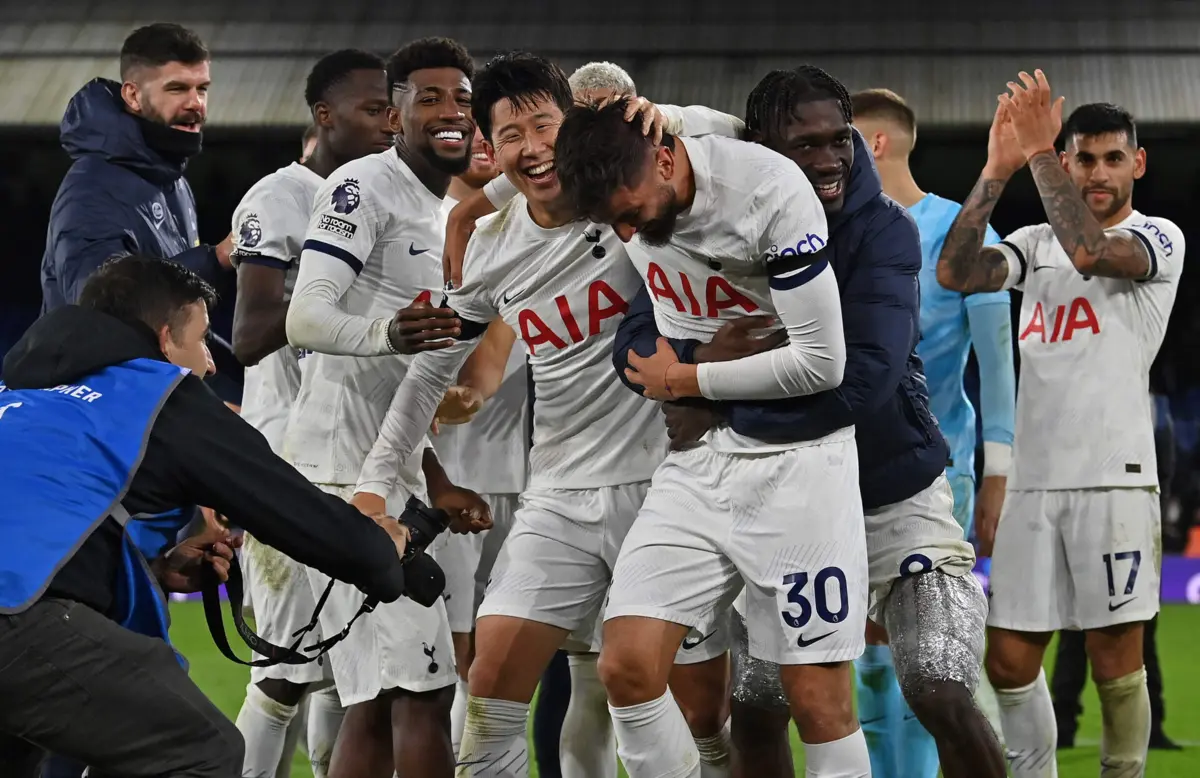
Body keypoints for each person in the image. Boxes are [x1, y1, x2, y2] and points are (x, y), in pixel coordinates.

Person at [352, 52, 735, 778]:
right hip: (557, 493)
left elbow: (735, 135)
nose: (532, 148)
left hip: (669, 491)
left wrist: (666, 117)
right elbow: (430, 372)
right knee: (490, 688)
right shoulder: (490, 250)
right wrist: (376, 483)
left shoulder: (632, 201)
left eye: (544, 125)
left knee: (698, 717)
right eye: (510, 135)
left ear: (577, 125)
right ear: (490, 148)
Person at [0, 255, 415, 778]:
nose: (210, 363)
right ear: (165, 337)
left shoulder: (20, 393)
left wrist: (152, 572)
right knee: (201, 752)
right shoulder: (157, 391)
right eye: (200, 339)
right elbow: (290, 507)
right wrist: (382, 548)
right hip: (15, 616)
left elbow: (44, 534)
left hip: (18, 608)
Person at [552, 96, 868, 778]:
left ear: (666, 158)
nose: (628, 230)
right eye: (614, 222)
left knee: (816, 697)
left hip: (800, 467)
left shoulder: (768, 190)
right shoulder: (641, 161)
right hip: (697, 462)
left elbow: (822, 363)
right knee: (627, 665)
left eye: (632, 211)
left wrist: (689, 379)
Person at [936, 72, 1185, 778]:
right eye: (1084, 157)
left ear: (1137, 163)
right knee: (1009, 659)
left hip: (1112, 478)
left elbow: (1091, 253)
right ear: (1070, 162)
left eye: (1112, 158)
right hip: (1033, 487)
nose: (1097, 172)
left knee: (1115, 657)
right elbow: (956, 272)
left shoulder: (1157, 239)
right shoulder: (1033, 240)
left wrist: (1038, 151)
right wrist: (995, 168)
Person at [283, 37, 493, 778]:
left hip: (381, 472)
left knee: (373, 699)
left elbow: (406, 383)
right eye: (428, 96)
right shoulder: (363, 186)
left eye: (462, 98)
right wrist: (386, 332)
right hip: (343, 476)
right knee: (423, 694)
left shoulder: (441, 208)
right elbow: (303, 320)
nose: (450, 111)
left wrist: (432, 477)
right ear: (395, 109)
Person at [228, 48, 398, 778]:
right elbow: (247, 335)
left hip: (367, 460)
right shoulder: (279, 199)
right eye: (371, 109)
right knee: (283, 672)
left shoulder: (399, 198)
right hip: (287, 463)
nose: (389, 123)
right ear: (324, 117)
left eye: (392, 109)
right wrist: (333, 297)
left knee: (361, 672)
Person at [850, 87, 1016, 776]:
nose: (828, 153)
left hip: (939, 475)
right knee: (868, 666)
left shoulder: (962, 234)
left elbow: (997, 365)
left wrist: (997, 476)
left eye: (843, 138)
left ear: (877, 143)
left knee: (925, 667)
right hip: (849, 476)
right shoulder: (838, 235)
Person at [441, 59, 744, 289]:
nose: (597, 131)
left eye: (614, 113)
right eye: (584, 115)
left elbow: (737, 129)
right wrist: (464, 213)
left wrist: (670, 116)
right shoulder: (564, 178)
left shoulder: (667, 165)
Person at [41, 22, 233, 312]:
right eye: (178, 88)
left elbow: (178, 321)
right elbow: (100, 308)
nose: (196, 104)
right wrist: (215, 259)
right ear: (133, 96)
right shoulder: (91, 190)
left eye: (202, 89)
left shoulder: (175, 183)